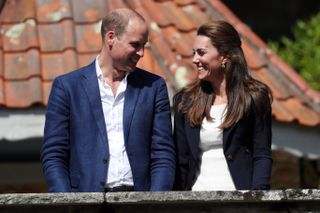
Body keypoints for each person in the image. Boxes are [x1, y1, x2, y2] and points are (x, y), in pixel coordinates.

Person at [40, 8, 175, 192]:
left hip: (140, 202)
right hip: (85, 202)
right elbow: (54, 154)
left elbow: (163, 153)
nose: (142, 53)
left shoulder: (153, 87)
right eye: (135, 44)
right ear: (111, 37)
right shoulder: (67, 87)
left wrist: (156, 202)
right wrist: (67, 203)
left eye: (144, 45)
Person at [173, 20, 273, 191]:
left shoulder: (254, 97)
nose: (195, 59)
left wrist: (258, 200)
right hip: (195, 200)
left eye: (201, 53)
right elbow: (181, 160)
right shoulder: (185, 101)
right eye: (194, 53)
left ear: (224, 56)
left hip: (240, 200)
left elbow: (262, 154)